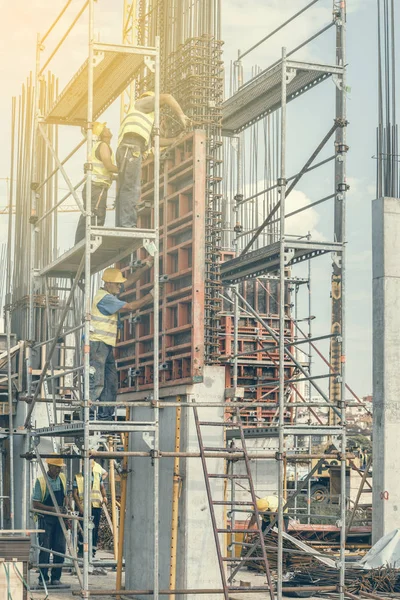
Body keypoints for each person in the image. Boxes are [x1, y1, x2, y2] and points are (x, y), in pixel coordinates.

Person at [116, 91, 190, 228]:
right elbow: (168, 97)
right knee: (131, 188)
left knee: (125, 188)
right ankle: (127, 225)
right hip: (132, 147)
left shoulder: (144, 118)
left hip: (128, 148)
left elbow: (154, 141)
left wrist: (176, 139)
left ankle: (122, 224)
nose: (159, 110)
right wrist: (182, 116)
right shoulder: (141, 103)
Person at [90, 263, 154, 420]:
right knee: (97, 381)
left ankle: (105, 417)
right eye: (118, 284)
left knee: (110, 382)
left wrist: (147, 265)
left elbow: (129, 282)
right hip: (97, 344)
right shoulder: (105, 299)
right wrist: (153, 295)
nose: (120, 286)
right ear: (109, 283)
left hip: (105, 345)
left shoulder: (110, 293)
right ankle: (89, 415)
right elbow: (131, 306)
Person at [75, 121, 118, 244]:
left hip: (95, 187)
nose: (108, 128)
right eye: (105, 128)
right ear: (102, 133)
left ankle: (80, 244)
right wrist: (126, 171)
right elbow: (109, 167)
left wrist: (116, 177)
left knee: (89, 216)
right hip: (97, 188)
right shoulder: (103, 145)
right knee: (95, 218)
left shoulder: (98, 146)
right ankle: (87, 245)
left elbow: (105, 172)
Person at [32, 458, 67, 588]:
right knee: (45, 549)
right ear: (50, 466)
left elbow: (64, 496)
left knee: (60, 548)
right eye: (57, 467)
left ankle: (56, 578)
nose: (59, 470)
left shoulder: (62, 478)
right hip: (46, 519)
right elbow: (35, 503)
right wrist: (52, 509)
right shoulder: (40, 481)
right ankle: (43, 578)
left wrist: (66, 507)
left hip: (59, 518)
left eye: (60, 468)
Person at [73, 460, 107, 558]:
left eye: (91, 467)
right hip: (83, 507)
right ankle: (82, 550)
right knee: (82, 529)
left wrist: (104, 497)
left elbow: (101, 487)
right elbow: (75, 494)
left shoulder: (97, 475)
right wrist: (80, 507)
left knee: (94, 528)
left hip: (95, 506)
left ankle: (92, 551)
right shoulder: (78, 477)